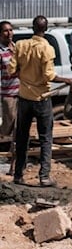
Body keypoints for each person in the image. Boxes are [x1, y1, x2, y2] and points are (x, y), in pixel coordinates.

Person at [11, 15, 56, 187]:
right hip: (42, 99)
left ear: (32, 27)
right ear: (46, 29)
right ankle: (44, 176)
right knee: (46, 138)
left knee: (22, 137)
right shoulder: (47, 48)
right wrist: (67, 81)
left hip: (24, 98)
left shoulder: (21, 45)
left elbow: (11, 69)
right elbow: (49, 75)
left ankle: (18, 175)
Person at [0, 20, 18, 173]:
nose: (9, 33)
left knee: (18, 130)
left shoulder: (17, 48)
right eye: (6, 31)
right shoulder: (0, 52)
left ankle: (15, 165)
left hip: (22, 93)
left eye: (11, 30)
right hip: (8, 95)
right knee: (7, 128)